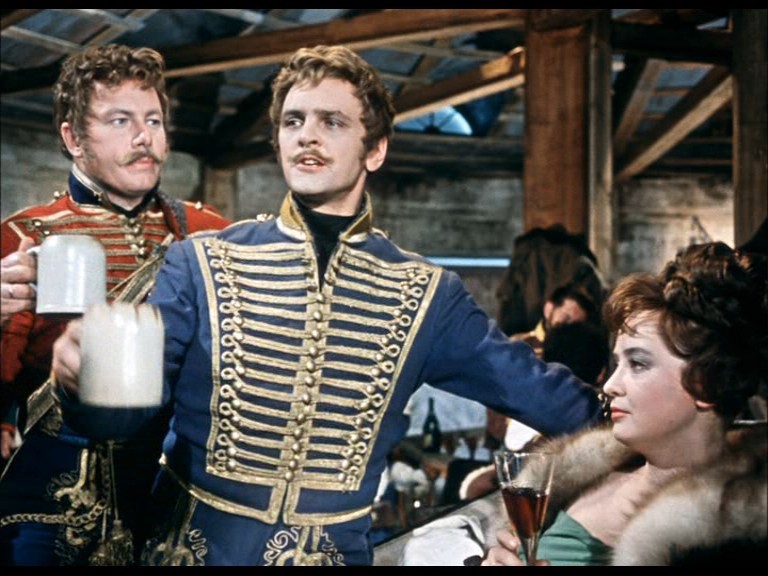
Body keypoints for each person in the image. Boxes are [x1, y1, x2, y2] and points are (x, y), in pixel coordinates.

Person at [50, 44, 603, 566]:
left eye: (331, 122)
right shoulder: (199, 262)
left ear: (375, 150)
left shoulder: (429, 294)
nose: (307, 136)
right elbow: (125, 421)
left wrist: (638, 404)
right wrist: (84, 382)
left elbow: (554, 402)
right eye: (293, 121)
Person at [0, 44, 230, 565]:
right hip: (50, 501)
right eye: (120, 120)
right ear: (73, 139)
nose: (143, 136)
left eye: (153, 120)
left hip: (176, 499)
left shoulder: (210, 233)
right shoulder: (20, 237)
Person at [480, 241, 767, 566]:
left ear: (706, 384)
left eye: (638, 364)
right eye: (617, 364)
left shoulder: (737, 532)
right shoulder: (577, 478)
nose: (610, 386)